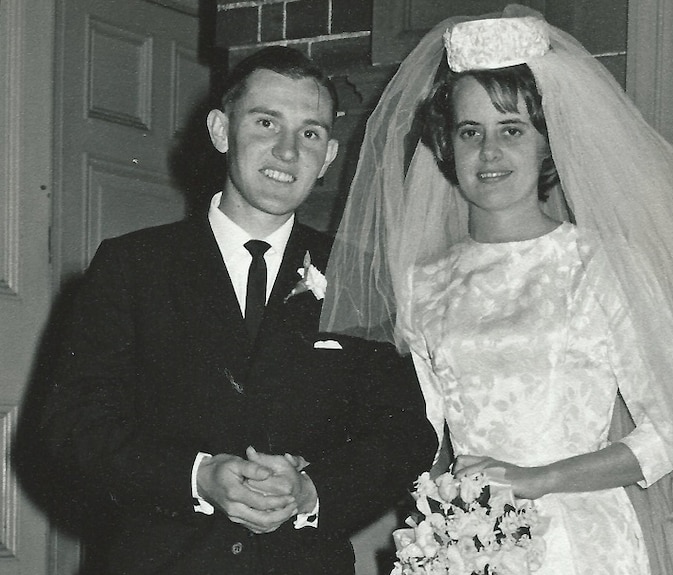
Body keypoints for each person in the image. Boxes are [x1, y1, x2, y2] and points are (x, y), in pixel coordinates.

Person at [320, 6, 673, 575]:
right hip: (467, 539)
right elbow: (420, 435)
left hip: (583, 542)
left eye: (513, 130)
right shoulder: (424, 284)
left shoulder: (600, 264)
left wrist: (538, 479)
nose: (490, 152)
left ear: (548, 143)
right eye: (470, 131)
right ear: (446, 147)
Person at [40, 46, 435, 575]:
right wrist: (196, 477)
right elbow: (72, 424)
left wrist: (311, 492)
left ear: (330, 158)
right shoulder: (132, 266)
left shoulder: (357, 277)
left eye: (310, 133)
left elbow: (406, 432)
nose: (288, 151)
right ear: (222, 131)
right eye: (267, 122)